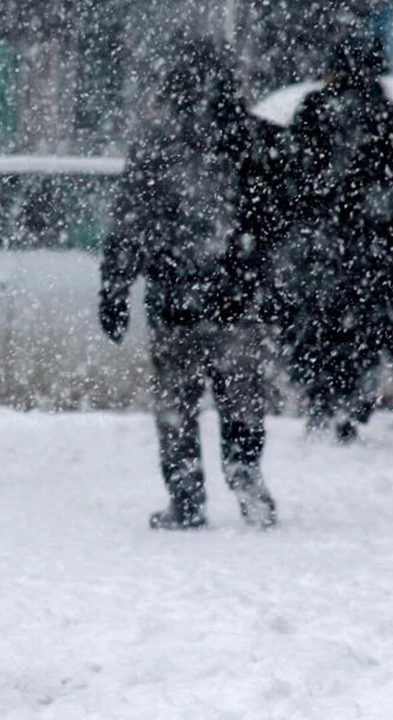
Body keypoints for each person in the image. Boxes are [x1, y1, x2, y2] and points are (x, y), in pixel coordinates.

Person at [99, 39, 277, 531]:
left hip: (175, 301)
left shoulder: (156, 145)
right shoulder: (252, 139)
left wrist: (114, 289)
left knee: (176, 408)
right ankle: (245, 477)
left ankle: (186, 498)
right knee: (241, 403)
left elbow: (128, 225)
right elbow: (277, 221)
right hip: (237, 301)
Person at [285, 32, 393, 442]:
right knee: (364, 329)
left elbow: (292, 175)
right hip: (376, 246)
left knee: (318, 326)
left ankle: (321, 401)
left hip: (321, 244)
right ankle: (352, 400)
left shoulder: (313, 110)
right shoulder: (392, 116)